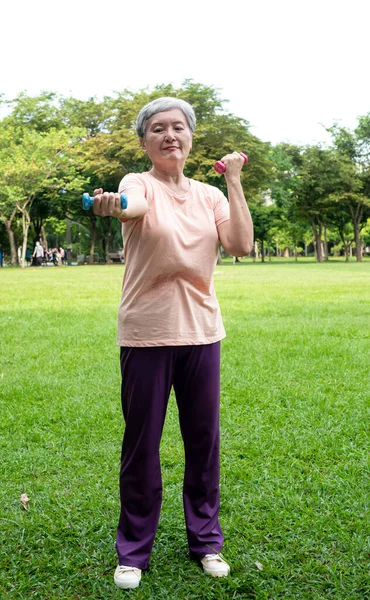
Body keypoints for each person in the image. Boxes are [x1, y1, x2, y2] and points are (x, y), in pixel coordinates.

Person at [92, 97, 254, 590]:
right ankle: (133, 551)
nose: (169, 135)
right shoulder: (137, 184)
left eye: (178, 128)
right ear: (144, 142)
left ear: (190, 137)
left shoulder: (210, 196)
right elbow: (131, 207)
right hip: (145, 332)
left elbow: (241, 245)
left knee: (204, 441)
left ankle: (206, 541)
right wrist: (113, 205)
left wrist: (233, 179)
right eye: (158, 129)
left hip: (202, 330)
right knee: (142, 443)